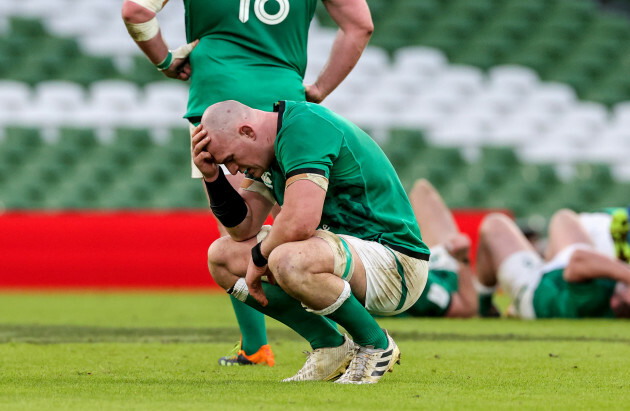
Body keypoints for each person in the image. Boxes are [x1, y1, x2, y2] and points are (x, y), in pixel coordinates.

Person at [121, 0, 374, 366]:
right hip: (286, 102)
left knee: (237, 235)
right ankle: (363, 324)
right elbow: (360, 25)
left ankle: (262, 346)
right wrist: (318, 89)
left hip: (218, 102)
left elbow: (135, 11)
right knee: (309, 226)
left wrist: (165, 60)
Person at [192, 100, 430, 383]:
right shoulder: (269, 151)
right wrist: (212, 177)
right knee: (222, 256)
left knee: (286, 259)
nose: (232, 169)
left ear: (247, 131)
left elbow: (299, 223)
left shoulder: (303, 128)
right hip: (344, 256)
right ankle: (329, 346)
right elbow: (242, 229)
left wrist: (258, 259)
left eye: (229, 158)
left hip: (396, 264)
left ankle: (375, 344)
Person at [475, 209, 630, 319]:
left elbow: (577, 261)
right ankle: (544, 258)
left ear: (615, 302)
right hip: (565, 276)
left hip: (535, 289)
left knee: (494, 224)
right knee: (563, 218)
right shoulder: (613, 291)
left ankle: (484, 306)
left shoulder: (593, 300)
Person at [399, 179, 477, 318]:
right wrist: (462, 260)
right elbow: (467, 307)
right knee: (495, 226)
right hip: (440, 274)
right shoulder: (411, 282)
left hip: (422, 266)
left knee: (421, 190)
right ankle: (486, 300)